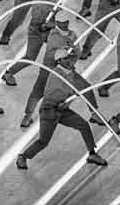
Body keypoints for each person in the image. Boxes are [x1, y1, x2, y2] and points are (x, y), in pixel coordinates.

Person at [16, 42, 112, 171]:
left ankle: (92, 154)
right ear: (60, 61)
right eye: (67, 58)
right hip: (49, 111)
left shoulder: (71, 73)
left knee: (84, 125)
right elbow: (53, 95)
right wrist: (67, 99)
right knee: (43, 142)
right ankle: (23, 156)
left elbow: (74, 89)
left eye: (70, 57)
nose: (71, 59)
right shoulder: (55, 74)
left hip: (62, 110)